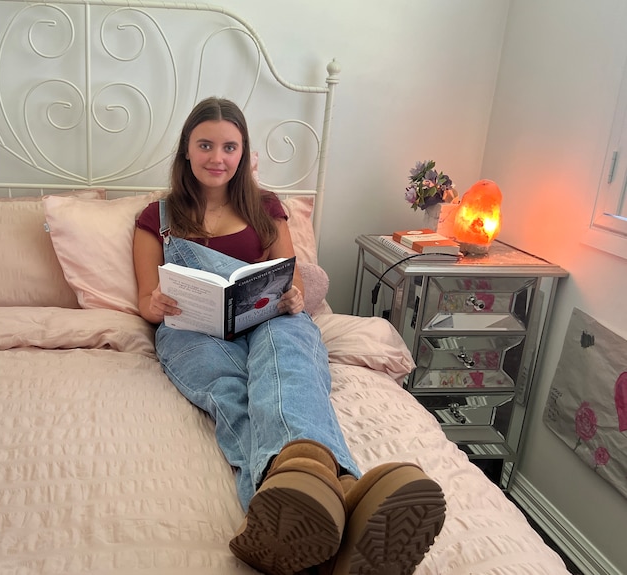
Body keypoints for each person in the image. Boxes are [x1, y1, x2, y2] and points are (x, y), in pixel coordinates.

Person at [132, 97, 446, 575]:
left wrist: (294, 298)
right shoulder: (157, 216)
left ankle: (294, 503)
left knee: (287, 367)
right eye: (206, 145)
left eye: (230, 146)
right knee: (231, 393)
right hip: (191, 328)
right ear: (187, 151)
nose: (218, 157)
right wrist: (153, 304)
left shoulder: (265, 206)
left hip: (267, 317)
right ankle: (342, 496)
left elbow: (292, 279)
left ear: (243, 153)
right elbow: (143, 298)